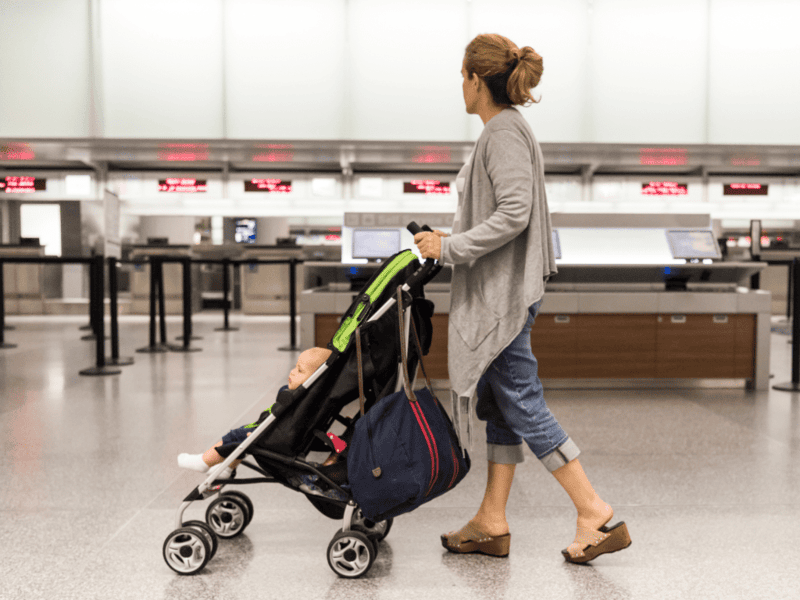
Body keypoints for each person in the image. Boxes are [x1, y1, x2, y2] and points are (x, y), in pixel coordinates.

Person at [414, 33, 631, 564]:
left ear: (475, 78)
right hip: (503, 293)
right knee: (505, 407)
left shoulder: (503, 132)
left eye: (461, 75)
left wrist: (449, 247)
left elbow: (514, 213)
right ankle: (491, 520)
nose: (458, 86)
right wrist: (451, 240)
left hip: (503, 300)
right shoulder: (503, 130)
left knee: (522, 401)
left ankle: (593, 512)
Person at [177, 347, 335, 480]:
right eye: (295, 367)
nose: (292, 372)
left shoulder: (299, 400)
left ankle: (204, 462)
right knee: (242, 441)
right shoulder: (314, 401)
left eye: (300, 370)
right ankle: (226, 470)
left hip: (277, 438)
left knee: (237, 437)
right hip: (287, 435)